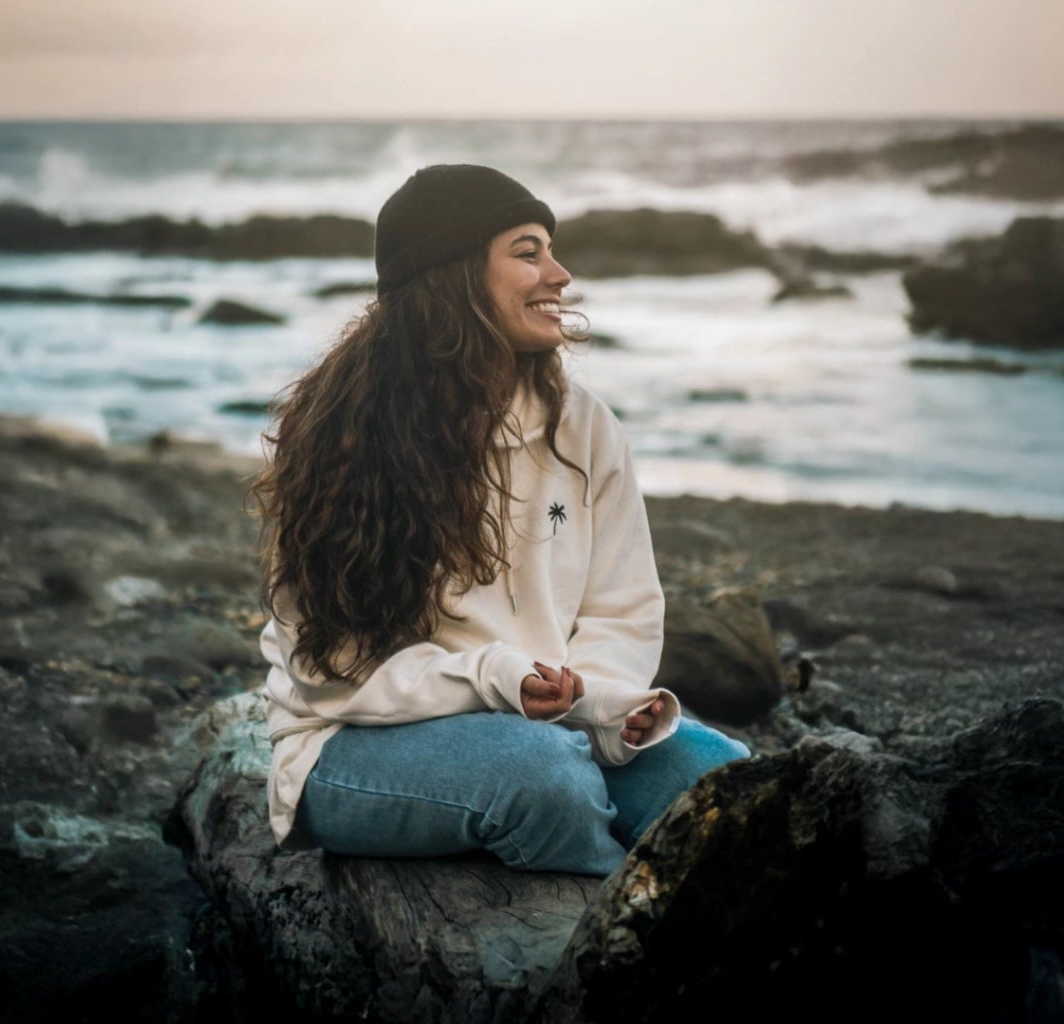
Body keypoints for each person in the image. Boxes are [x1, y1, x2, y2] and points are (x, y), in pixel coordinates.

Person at [246, 164, 749, 877]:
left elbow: (622, 606)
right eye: (528, 251)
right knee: (545, 782)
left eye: (551, 250)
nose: (560, 274)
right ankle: (614, 948)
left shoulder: (583, 427)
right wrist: (499, 677)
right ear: (453, 275)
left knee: (725, 782)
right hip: (351, 749)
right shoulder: (349, 436)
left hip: (550, 729)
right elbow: (332, 673)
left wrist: (602, 705)